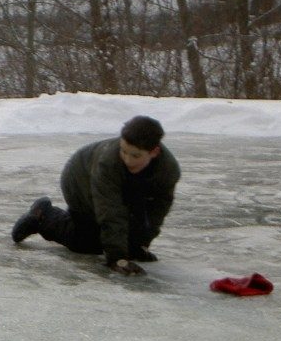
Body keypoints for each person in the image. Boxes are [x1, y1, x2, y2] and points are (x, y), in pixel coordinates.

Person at [11, 116, 179, 275]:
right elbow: (110, 212)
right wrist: (118, 259)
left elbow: (157, 210)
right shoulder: (108, 163)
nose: (127, 160)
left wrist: (140, 245)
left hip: (126, 186)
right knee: (87, 243)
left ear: (154, 152)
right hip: (79, 178)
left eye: (135, 155)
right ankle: (43, 216)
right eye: (124, 151)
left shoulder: (168, 171)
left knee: (127, 231)